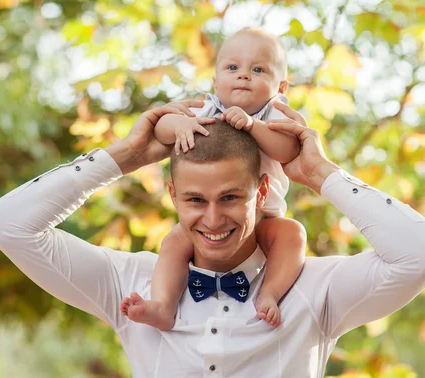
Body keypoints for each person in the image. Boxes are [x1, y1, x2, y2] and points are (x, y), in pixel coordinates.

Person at [0, 100, 425, 378]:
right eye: (194, 200)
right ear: (172, 195)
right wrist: (122, 157)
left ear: (262, 189)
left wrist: (319, 173)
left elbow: (424, 252)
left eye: (230, 198)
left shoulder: (315, 288)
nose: (211, 220)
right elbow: (8, 225)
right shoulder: (132, 287)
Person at [123, 27, 305, 331]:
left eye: (258, 69)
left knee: (293, 235)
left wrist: (252, 125)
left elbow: (289, 149)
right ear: (215, 80)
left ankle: (270, 294)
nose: (244, 75)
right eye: (233, 67)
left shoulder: (275, 114)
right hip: (224, 208)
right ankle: (163, 305)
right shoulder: (209, 107)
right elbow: (160, 127)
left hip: (265, 215)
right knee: (173, 242)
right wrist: (179, 124)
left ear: (281, 86)